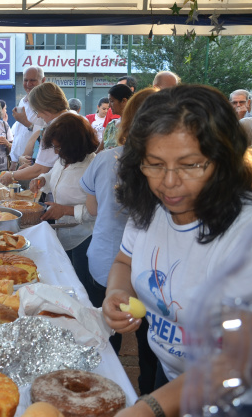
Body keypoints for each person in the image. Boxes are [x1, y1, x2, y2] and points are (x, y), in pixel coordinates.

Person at [103, 85, 252, 416]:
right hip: (172, 376)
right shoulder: (150, 207)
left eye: (190, 165)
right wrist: (117, 291)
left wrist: (151, 408)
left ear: (223, 160)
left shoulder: (250, 233)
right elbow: (123, 260)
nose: (169, 182)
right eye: (155, 164)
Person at [80, 88, 159, 392]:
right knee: (147, 346)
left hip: (107, 260)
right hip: (128, 269)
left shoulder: (106, 160)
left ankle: (109, 385)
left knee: (104, 338)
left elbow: (93, 209)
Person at [29, 113, 98, 290]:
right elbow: (54, 176)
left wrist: (66, 210)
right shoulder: (63, 160)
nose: (56, 152)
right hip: (63, 233)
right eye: (54, 147)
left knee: (82, 288)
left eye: (59, 148)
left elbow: (98, 210)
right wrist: (42, 179)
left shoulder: (93, 167)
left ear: (74, 145)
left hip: (86, 238)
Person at [0, 82, 66, 186]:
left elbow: (40, 169)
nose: (38, 116)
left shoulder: (55, 127)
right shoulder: (72, 118)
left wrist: (12, 175)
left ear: (46, 106)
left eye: (37, 111)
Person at [9, 67, 46, 171]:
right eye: (26, 80)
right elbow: (19, 134)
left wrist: (26, 123)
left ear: (43, 81)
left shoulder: (46, 103)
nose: (28, 84)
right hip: (18, 161)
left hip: (34, 163)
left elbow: (47, 132)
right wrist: (14, 159)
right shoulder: (23, 101)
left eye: (33, 80)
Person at [101, 83, 133, 150]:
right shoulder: (111, 125)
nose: (109, 105)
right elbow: (100, 149)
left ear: (124, 101)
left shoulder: (136, 125)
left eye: (112, 101)